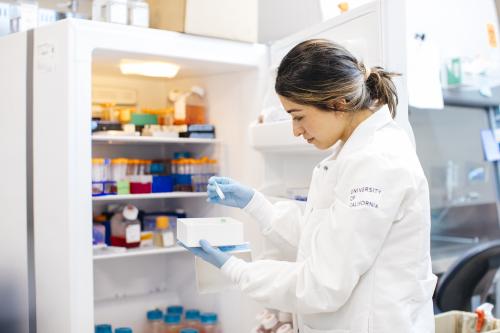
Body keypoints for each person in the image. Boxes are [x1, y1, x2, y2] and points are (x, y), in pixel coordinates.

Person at [183, 39, 437, 333]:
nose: (295, 130)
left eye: (298, 115)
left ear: (338, 102)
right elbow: (323, 239)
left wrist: (237, 269)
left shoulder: (376, 162)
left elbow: (322, 285)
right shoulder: (353, 154)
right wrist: (256, 204)